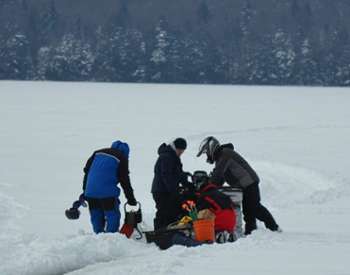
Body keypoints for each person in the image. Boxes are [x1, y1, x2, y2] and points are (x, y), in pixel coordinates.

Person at [197, 136, 281, 235]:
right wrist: (212, 186)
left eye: (206, 152)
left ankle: (274, 228)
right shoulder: (221, 157)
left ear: (211, 148)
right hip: (244, 185)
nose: (207, 156)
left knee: (254, 207)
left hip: (249, 182)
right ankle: (251, 232)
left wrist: (207, 186)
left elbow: (218, 174)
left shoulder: (225, 154)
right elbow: (220, 177)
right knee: (248, 211)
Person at [82, 140, 137, 234]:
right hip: (107, 194)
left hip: (90, 192)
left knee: (96, 215)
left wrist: (85, 190)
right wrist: (131, 200)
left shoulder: (97, 153)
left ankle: (98, 237)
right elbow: (125, 181)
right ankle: (111, 239)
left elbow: (87, 171)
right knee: (113, 216)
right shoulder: (121, 157)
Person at [151, 138, 189, 230]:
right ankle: (159, 232)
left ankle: (169, 230)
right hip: (161, 191)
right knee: (164, 211)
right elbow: (166, 176)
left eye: (182, 151)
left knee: (172, 210)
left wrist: (187, 183)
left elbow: (178, 173)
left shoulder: (174, 157)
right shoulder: (166, 157)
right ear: (175, 148)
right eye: (180, 151)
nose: (181, 153)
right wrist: (174, 190)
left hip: (168, 190)